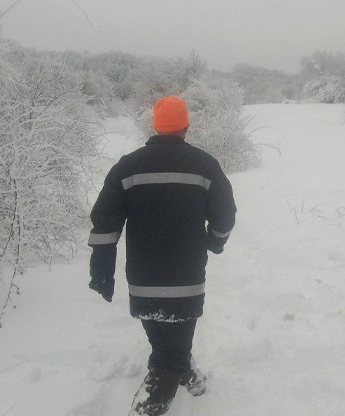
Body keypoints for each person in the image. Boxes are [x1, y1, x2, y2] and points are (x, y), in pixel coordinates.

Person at [87, 95, 236, 416]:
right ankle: (147, 408)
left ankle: (191, 376)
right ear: (185, 125)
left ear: (155, 126)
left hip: (143, 281)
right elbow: (225, 215)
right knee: (167, 361)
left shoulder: (127, 166)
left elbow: (105, 220)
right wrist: (215, 241)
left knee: (166, 347)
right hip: (186, 280)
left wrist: (101, 267)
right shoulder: (204, 164)